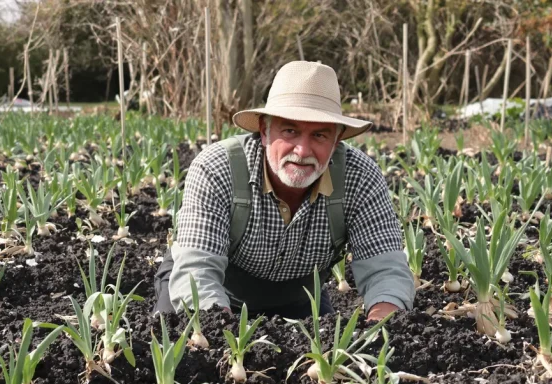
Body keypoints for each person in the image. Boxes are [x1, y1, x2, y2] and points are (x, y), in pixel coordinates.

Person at [153, 61, 414, 321]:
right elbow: (197, 271)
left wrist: (384, 326)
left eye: (320, 136)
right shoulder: (219, 168)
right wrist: (221, 334)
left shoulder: (359, 177)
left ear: (336, 140)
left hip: (297, 298)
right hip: (209, 290)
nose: (302, 151)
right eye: (290, 131)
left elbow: (385, 269)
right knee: (178, 349)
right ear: (265, 131)